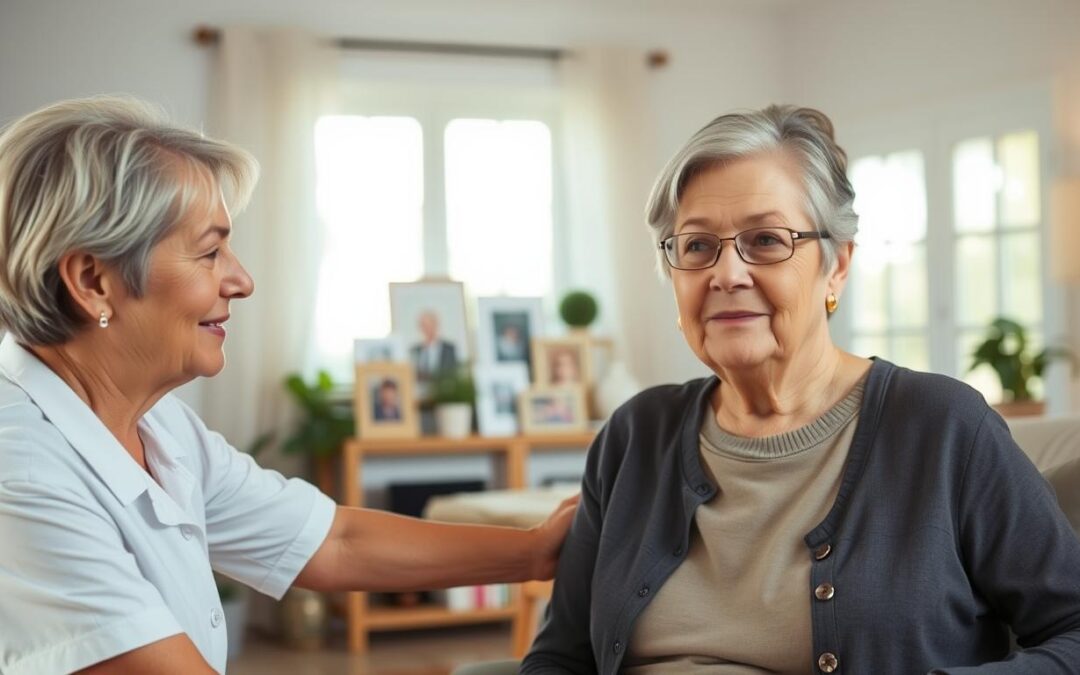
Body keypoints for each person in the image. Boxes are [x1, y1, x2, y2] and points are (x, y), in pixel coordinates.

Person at [0, 96, 577, 675]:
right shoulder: (20, 470)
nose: (242, 280)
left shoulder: (158, 426)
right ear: (93, 279)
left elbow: (334, 542)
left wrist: (535, 551)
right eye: (210, 252)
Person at [521, 106, 1080, 673]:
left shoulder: (943, 426)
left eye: (766, 240)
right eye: (696, 246)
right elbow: (558, 658)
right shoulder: (634, 434)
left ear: (836, 267)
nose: (727, 273)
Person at [410, 310, 458, 379]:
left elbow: (452, 373)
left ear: (436, 325)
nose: (427, 329)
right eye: (424, 325)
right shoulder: (414, 350)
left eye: (430, 325)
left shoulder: (449, 349)